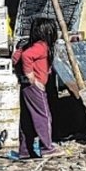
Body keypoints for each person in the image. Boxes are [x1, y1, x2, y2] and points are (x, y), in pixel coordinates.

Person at [12, 17, 63, 158]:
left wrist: (21, 74)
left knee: (27, 119)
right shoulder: (41, 46)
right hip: (34, 87)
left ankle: (25, 151)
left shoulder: (28, 45)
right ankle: (47, 148)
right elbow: (26, 56)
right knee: (43, 116)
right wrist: (31, 75)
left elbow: (16, 56)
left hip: (26, 87)